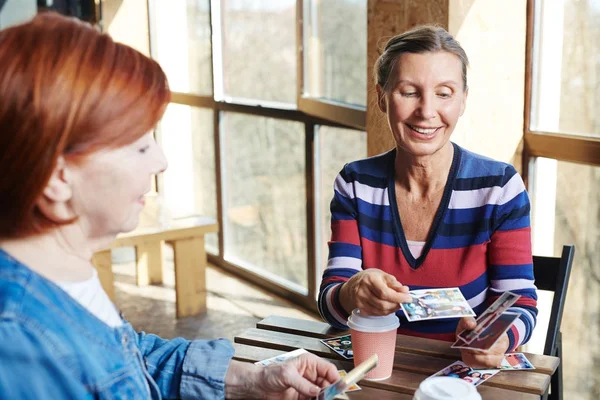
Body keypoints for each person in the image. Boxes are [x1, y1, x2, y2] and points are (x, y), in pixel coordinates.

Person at [0, 13, 338, 399]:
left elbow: (123, 359)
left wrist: (250, 379)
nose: (160, 161)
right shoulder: (15, 345)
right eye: (140, 146)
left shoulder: (60, 278)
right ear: (57, 177)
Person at [317, 25, 538, 369]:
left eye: (444, 93)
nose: (426, 111)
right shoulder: (354, 182)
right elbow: (330, 301)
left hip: (458, 373)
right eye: (409, 92)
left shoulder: (500, 187)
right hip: (379, 369)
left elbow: (520, 302)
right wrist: (352, 290)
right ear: (381, 97)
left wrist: (498, 337)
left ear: (463, 99)